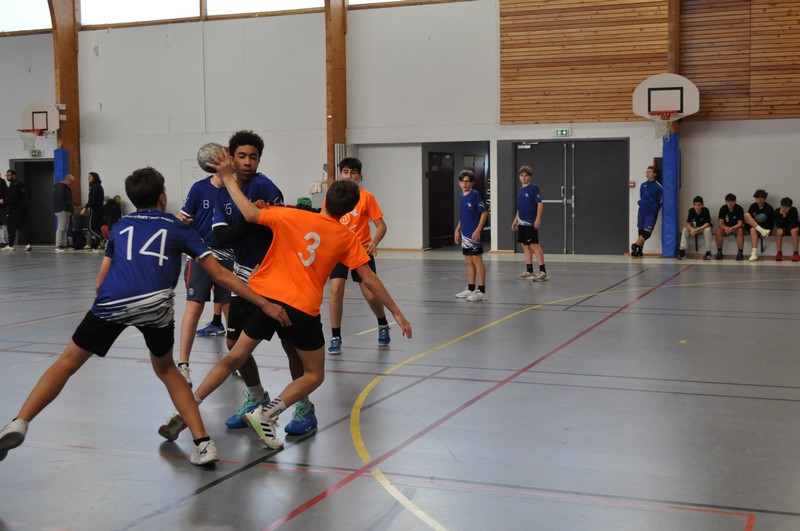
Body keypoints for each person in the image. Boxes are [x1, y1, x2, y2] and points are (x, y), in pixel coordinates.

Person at [0, 167, 288, 466]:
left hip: (113, 301)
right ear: (162, 198)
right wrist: (264, 303)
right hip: (155, 305)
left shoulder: (120, 226)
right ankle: (203, 443)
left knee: (67, 362)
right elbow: (221, 275)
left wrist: (107, 311)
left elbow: (100, 282)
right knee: (167, 370)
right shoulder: (178, 227)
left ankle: (20, 421)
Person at [156, 152, 411, 451]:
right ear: (351, 211)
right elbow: (369, 279)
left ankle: (189, 406)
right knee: (313, 374)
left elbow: (250, 214)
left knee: (234, 357)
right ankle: (267, 414)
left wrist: (226, 178)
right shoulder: (347, 238)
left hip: (265, 299)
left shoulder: (290, 215)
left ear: (326, 199)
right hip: (301, 309)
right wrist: (396, 313)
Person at [161, 130, 285, 434]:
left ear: (259, 160)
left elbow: (283, 228)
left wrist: (265, 216)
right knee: (232, 343)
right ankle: (257, 397)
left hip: (270, 276)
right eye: (242, 156)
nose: (247, 161)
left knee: (283, 346)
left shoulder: (265, 186)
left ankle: (301, 406)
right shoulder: (220, 192)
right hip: (240, 273)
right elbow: (221, 236)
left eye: (253, 157)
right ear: (231, 158)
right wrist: (253, 217)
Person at [174, 169, 235, 387]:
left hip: (229, 257)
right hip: (201, 255)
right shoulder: (199, 188)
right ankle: (183, 365)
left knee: (230, 308)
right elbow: (182, 218)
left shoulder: (236, 190)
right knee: (194, 307)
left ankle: (237, 360)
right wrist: (184, 223)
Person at [326, 157, 390, 356]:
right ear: (340, 174)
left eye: (353, 172)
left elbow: (381, 226)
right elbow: (323, 222)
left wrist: (373, 242)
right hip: (338, 251)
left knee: (370, 294)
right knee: (336, 290)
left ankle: (382, 323)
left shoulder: (366, 197)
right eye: (345, 171)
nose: (349, 175)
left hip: (360, 251)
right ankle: (335, 336)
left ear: (359, 175)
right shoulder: (332, 196)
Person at [454, 170, 488, 302]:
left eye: (467, 181)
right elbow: (463, 216)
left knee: (477, 260)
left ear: (472, 183)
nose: (464, 184)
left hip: (474, 235)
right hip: (465, 235)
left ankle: (481, 291)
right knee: (468, 261)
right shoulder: (462, 197)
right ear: (459, 183)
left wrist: (478, 230)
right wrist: (457, 230)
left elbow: (484, 213)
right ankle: (471, 287)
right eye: (462, 181)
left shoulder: (475, 195)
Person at [511, 165, 549, 281]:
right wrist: (515, 220)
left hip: (530, 222)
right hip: (521, 222)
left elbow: (540, 204)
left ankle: (543, 271)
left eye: (526, 175)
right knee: (525, 245)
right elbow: (520, 208)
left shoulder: (533, 188)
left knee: (534, 245)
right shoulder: (521, 190)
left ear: (530, 177)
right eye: (521, 175)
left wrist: (538, 219)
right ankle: (529, 271)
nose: (524, 178)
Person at [630, 166, 662, 258]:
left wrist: (654, 209)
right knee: (641, 230)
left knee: (647, 233)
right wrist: (642, 204)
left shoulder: (658, 187)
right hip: (642, 211)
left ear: (654, 174)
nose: (647, 174)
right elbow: (641, 196)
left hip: (651, 213)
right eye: (646, 172)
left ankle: (635, 245)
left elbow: (661, 201)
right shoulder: (643, 185)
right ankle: (639, 251)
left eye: (650, 172)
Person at [743, 189, 774, 262]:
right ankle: (754, 254)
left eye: (761, 198)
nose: (759, 199)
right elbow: (748, 220)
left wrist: (765, 229)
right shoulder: (753, 206)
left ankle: (754, 253)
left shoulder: (769, 208)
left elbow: (771, 223)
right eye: (757, 198)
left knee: (753, 229)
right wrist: (754, 221)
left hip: (766, 228)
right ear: (755, 198)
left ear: (765, 199)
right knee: (746, 215)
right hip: (756, 228)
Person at [678, 196, 713, 260]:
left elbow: (707, 223)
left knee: (707, 231)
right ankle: (682, 251)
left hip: (703, 228)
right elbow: (687, 223)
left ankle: (708, 253)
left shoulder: (705, 210)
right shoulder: (691, 211)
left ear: (702, 205)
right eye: (695, 205)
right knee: (685, 230)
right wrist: (691, 229)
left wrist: (697, 230)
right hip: (694, 228)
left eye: (698, 205)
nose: (696, 207)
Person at [4, 169, 31, 252]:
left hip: (15, 210)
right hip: (23, 210)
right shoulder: (21, 184)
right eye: (6, 175)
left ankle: (11, 245)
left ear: (14, 175)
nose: (7, 177)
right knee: (23, 227)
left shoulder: (13, 185)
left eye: (9, 175)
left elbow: (13, 198)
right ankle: (28, 244)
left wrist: (4, 201)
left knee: (11, 228)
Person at [715, 193, 745, 260]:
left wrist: (731, 228)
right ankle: (719, 251)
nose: (730, 203)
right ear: (726, 202)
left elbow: (740, 224)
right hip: (727, 228)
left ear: (735, 202)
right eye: (728, 201)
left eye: (732, 201)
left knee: (740, 230)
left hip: (736, 227)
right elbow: (720, 224)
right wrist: (725, 228)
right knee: (718, 230)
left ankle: (740, 252)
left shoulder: (739, 209)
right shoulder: (723, 208)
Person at [80, 172, 105, 252]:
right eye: (88, 177)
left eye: (90, 176)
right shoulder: (99, 186)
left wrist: (85, 207)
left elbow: (92, 200)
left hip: (95, 210)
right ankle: (96, 247)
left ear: (94, 177)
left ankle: (102, 238)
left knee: (91, 228)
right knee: (97, 228)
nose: (88, 178)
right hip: (100, 210)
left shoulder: (94, 187)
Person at [54, 174, 75, 252]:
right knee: (61, 228)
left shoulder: (65, 187)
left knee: (65, 228)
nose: (71, 183)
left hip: (66, 209)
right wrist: (65, 207)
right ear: (68, 179)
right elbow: (60, 199)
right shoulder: (60, 187)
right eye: (71, 181)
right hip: (62, 209)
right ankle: (59, 245)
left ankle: (64, 244)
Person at [774, 197, 799, 262]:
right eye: (783, 206)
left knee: (794, 230)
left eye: (787, 207)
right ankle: (779, 253)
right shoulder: (777, 211)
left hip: (791, 228)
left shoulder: (793, 210)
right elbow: (779, 225)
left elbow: (794, 223)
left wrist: (784, 229)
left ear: (790, 207)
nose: (784, 208)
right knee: (778, 231)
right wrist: (784, 216)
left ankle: (796, 253)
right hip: (784, 229)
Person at [0, 172, 9, 248]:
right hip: (2, 206)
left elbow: (5, 193)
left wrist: (2, 199)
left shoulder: (2, 181)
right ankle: (2, 241)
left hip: (2, 207)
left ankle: (4, 241)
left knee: (3, 223)